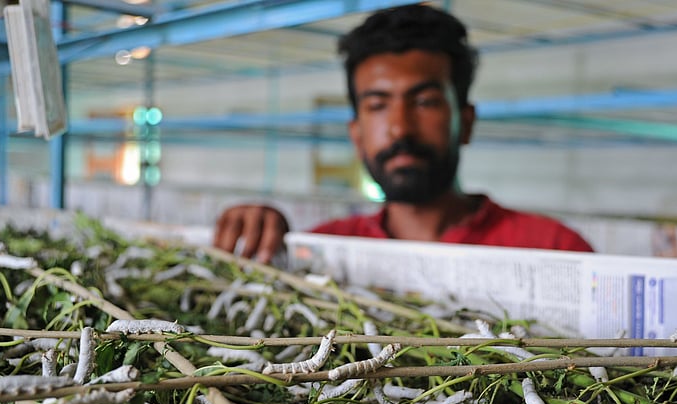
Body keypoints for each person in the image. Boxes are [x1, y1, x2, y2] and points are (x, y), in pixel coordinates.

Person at [213, 4, 593, 263]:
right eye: (377, 105)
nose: (400, 127)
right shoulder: (325, 248)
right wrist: (263, 236)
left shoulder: (554, 248)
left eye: (425, 101)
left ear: (467, 122)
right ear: (356, 133)